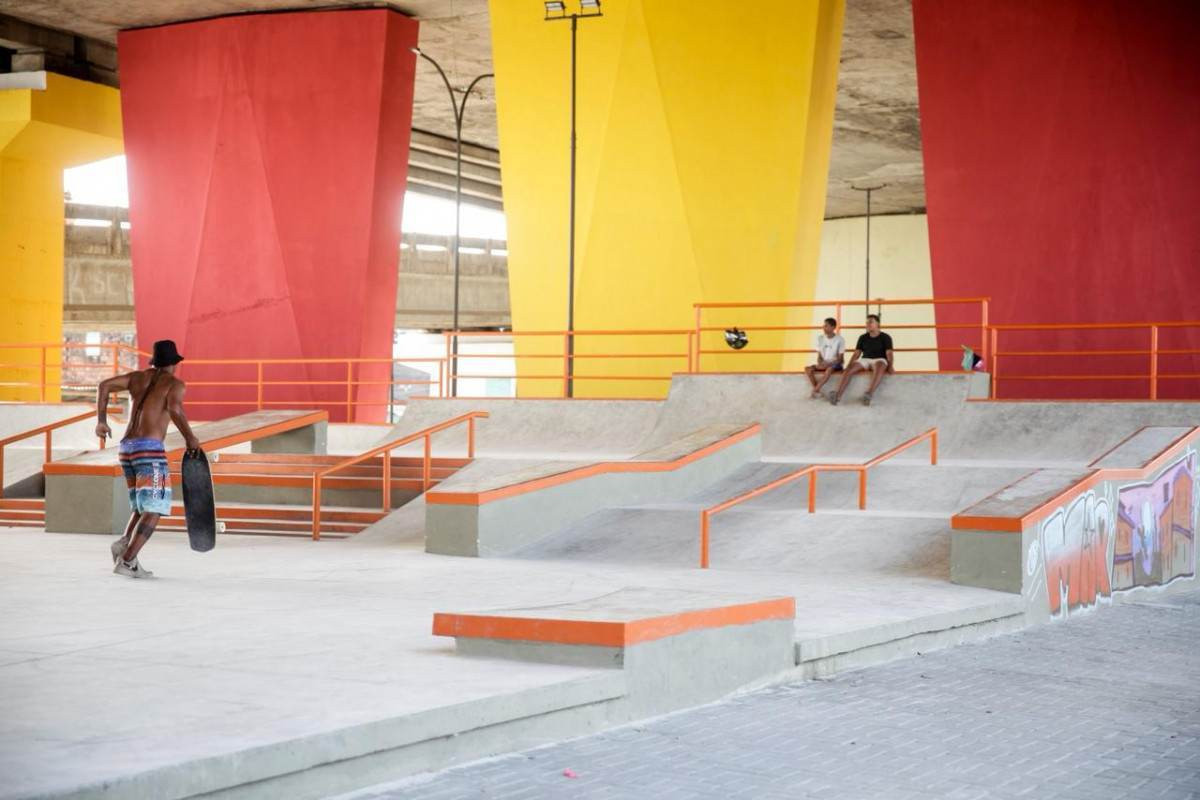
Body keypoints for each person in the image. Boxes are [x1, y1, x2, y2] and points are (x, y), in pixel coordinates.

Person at [95, 340, 201, 578]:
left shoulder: (136, 378)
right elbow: (174, 409)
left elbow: (104, 385)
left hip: (126, 449)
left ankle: (124, 543)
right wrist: (190, 438)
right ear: (174, 363)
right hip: (149, 452)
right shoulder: (174, 384)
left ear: (154, 361)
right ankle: (127, 561)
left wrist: (101, 421)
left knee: (141, 505)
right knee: (155, 507)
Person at [829, 314, 894, 406]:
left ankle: (869, 394)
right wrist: (848, 366)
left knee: (880, 365)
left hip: (879, 359)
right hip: (865, 359)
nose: (868, 324)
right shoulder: (863, 337)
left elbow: (889, 353)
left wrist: (890, 366)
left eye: (871, 322)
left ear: (878, 324)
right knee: (849, 368)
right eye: (867, 322)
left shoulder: (886, 337)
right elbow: (857, 354)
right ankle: (837, 395)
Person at [805, 317, 845, 399]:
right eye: (824, 325)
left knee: (829, 370)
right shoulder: (820, 338)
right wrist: (820, 363)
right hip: (824, 364)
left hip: (835, 364)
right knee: (808, 369)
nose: (823, 327)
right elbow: (819, 356)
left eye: (826, 325)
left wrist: (829, 364)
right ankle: (817, 391)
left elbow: (840, 359)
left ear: (833, 327)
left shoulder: (840, 339)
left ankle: (814, 391)